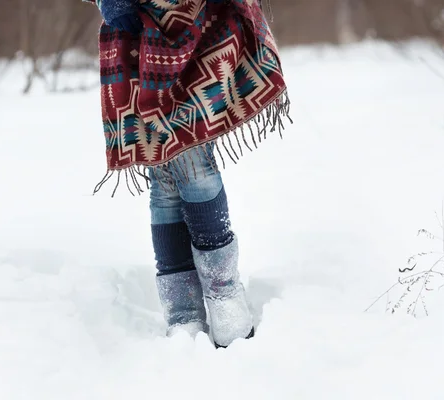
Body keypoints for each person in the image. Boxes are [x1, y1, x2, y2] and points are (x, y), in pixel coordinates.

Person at [84, 0, 291, 348]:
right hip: (136, 31)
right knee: (162, 181)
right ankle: (184, 311)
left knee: (193, 165)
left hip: (198, 23)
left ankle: (221, 296)